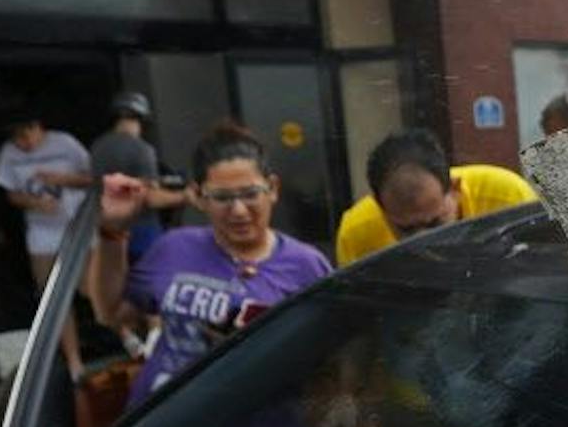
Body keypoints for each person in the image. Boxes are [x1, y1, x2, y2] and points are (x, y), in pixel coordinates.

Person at [88, 120, 332, 408]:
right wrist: (112, 233)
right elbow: (111, 314)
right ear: (199, 196)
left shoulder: (307, 266)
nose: (238, 210)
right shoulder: (173, 248)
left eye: (250, 193)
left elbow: (329, 359)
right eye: (222, 197)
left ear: (273, 189)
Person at [333, 128, 537, 265]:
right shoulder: (357, 233)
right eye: (406, 230)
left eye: (435, 224)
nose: (425, 243)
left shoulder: (508, 199)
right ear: (379, 206)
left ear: (455, 189)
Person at [0, 111, 89, 379]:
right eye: (16, 139)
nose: (22, 144)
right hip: (40, 234)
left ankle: (130, 335)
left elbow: (93, 178)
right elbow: (10, 194)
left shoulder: (65, 144)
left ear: (38, 127)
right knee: (54, 297)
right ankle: (74, 361)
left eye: (25, 136)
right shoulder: (8, 154)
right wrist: (34, 203)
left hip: (75, 227)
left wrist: (62, 180)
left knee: (89, 287)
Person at [78, 91, 185, 261]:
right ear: (142, 120)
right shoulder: (142, 149)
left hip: (108, 229)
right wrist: (184, 196)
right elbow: (150, 197)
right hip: (142, 230)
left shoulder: (98, 147)